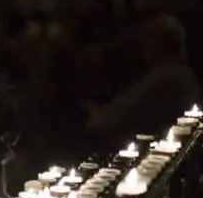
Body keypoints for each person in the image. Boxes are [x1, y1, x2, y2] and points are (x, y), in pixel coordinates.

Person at [84, 13, 199, 144]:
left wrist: (95, 118)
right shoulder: (182, 73)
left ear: (164, 42)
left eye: (149, 37)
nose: (143, 45)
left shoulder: (165, 78)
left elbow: (122, 112)